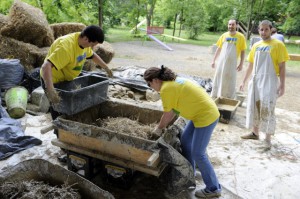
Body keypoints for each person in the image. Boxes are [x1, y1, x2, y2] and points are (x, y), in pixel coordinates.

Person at [144, 65, 221, 198]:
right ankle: (189, 172)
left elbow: (168, 113)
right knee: (185, 140)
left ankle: (213, 188)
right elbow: (175, 109)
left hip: (205, 117)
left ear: (156, 80)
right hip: (199, 113)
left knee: (198, 153)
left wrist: (159, 128)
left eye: (149, 83)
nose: (150, 87)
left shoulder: (166, 89)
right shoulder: (173, 81)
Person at [40, 25, 113, 119]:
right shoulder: (66, 48)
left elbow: (92, 55)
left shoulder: (83, 42)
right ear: (86, 39)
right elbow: (46, 66)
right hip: (52, 80)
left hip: (66, 78)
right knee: (59, 110)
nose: (92, 47)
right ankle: (59, 131)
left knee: (69, 108)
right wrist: (50, 90)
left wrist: (106, 67)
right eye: (93, 45)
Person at [239, 20, 289, 148]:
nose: (263, 32)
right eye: (261, 29)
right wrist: (244, 81)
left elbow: (282, 66)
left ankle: (267, 139)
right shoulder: (256, 45)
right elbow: (250, 64)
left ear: (271, 30)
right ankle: (255, 133)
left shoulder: (278, 45)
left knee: (267, 107)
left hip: (270, 80)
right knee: (254, 105)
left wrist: (282, 85)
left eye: (266, 29)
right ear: (258, 30)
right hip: (256, 80)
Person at [211, 19, 247, 99]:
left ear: (236, 25)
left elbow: (243, 51)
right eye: (229, 24)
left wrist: (241, 64)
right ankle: (216, 95)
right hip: (221, 62)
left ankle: (228, 97)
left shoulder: (240, 37)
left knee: (230, 80)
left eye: (233, 24)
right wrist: (213, 60)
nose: (231, 26)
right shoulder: (224, 35)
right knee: (219, 77)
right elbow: (219, 48)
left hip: (232, 63)